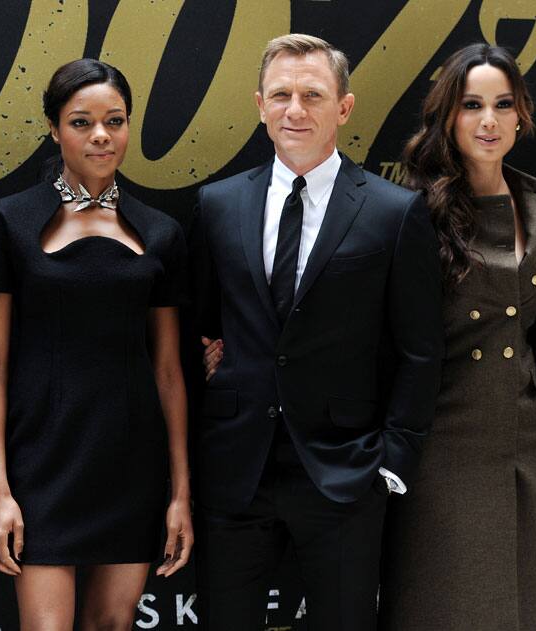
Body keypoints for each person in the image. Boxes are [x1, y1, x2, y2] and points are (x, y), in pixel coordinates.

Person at [189, 34, 443, 631]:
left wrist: (392, 460)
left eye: (312, 94)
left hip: (346, 472)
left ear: (344, 107)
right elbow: (196, 325)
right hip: (234, 473)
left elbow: (419, 349)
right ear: (259, 104)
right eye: (281, 95)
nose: (295, 110)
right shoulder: (217, 205)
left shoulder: (393, 211)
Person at [0, 59, 193, 629]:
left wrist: (180, 494)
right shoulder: (9, 223)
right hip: (40, 462)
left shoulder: (160, 233)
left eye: (115, 120)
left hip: (130, 462)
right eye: (81, 122)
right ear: (54, 129)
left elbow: (170, 371)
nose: (101, 135)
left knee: (112, 624)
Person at [377, 43, 536, 631]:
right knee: (445, 606)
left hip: (528, 438)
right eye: (471, 105)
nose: (489, 120)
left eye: (502, 104)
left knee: (535, 605)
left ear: (521, 115)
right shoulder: (410, 212)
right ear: (447, 116)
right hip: (443, 442)